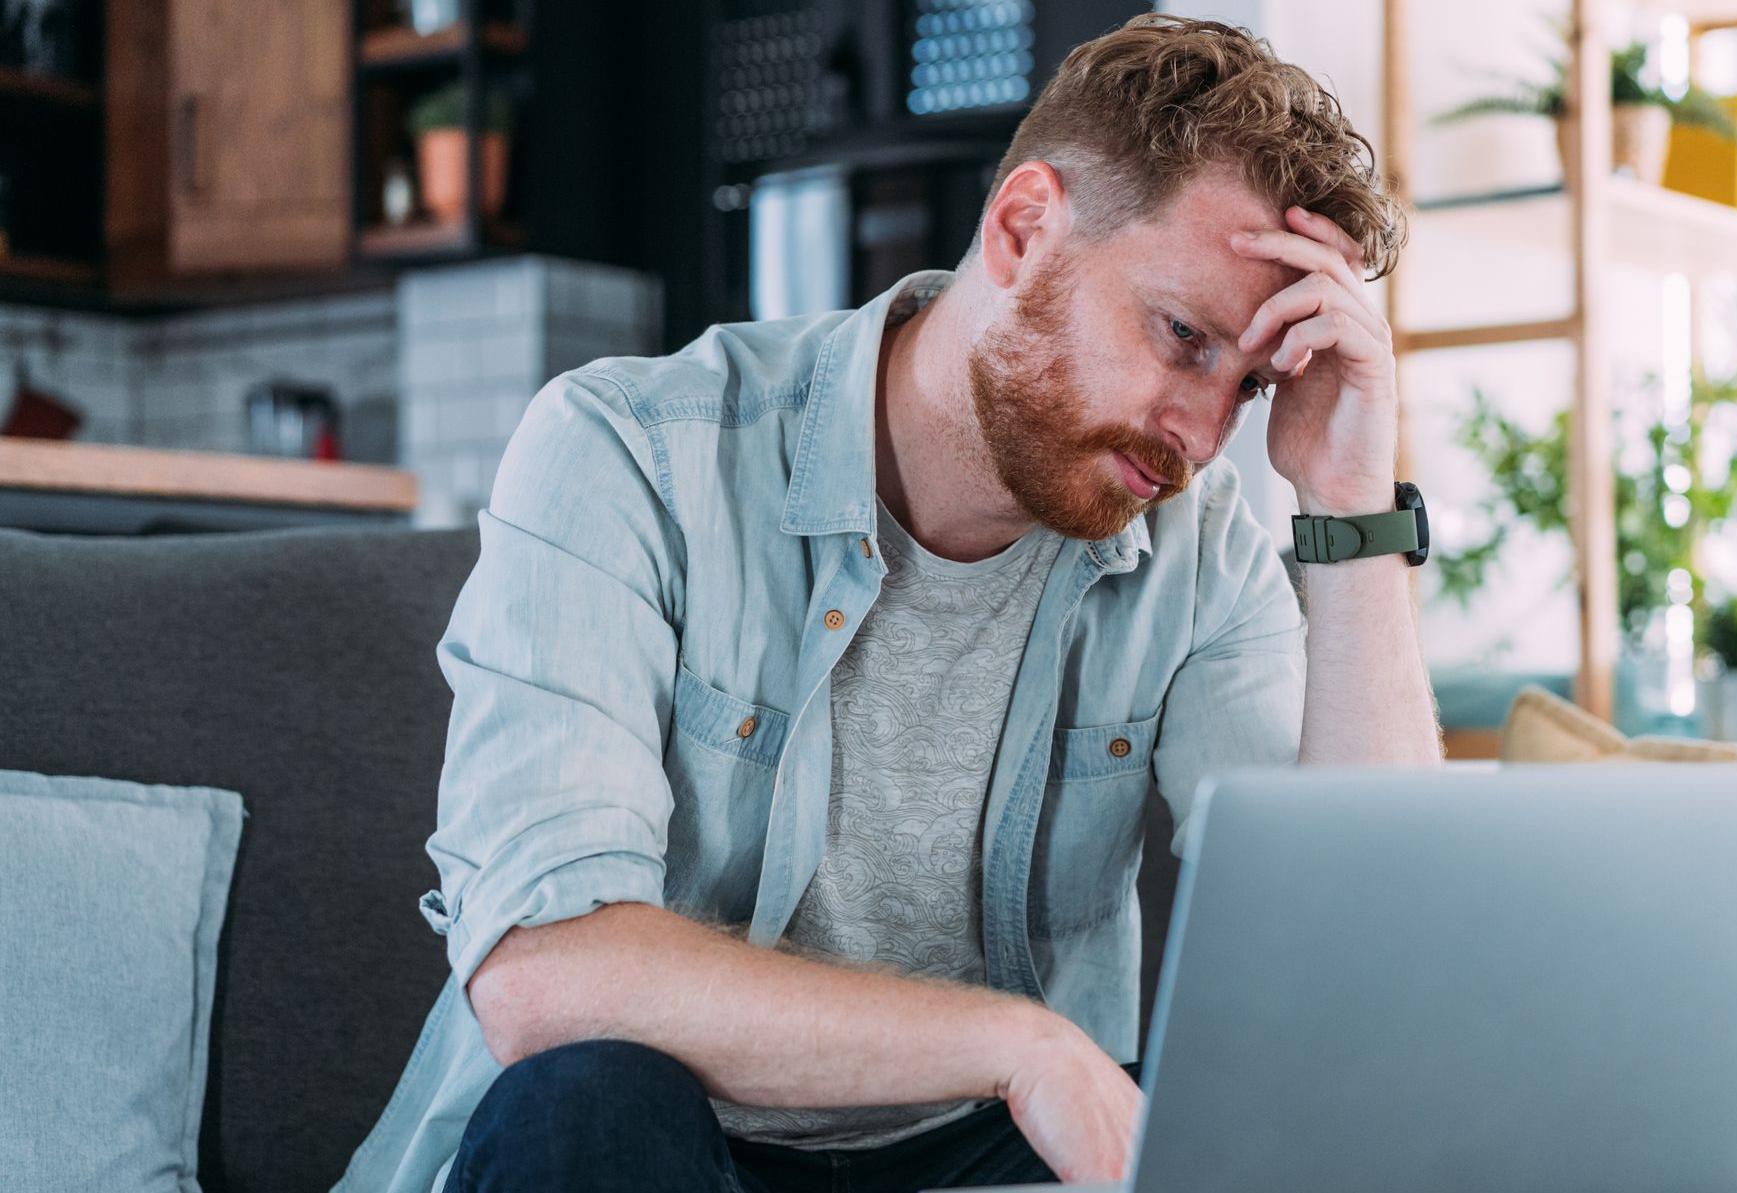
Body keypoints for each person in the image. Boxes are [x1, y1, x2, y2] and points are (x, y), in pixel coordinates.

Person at [334, 14, 1441, 1193]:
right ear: (1022, 229)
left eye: (1251, 383)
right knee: (589, 1101)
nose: (1204, 436)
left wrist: (1350, 500)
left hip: (976, 1158)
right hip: (667, 1149)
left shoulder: (1196, 549)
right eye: (1182, 337)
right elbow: (544, 973)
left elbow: (1363, 974)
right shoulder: (629, 453)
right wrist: (1021, 1048)